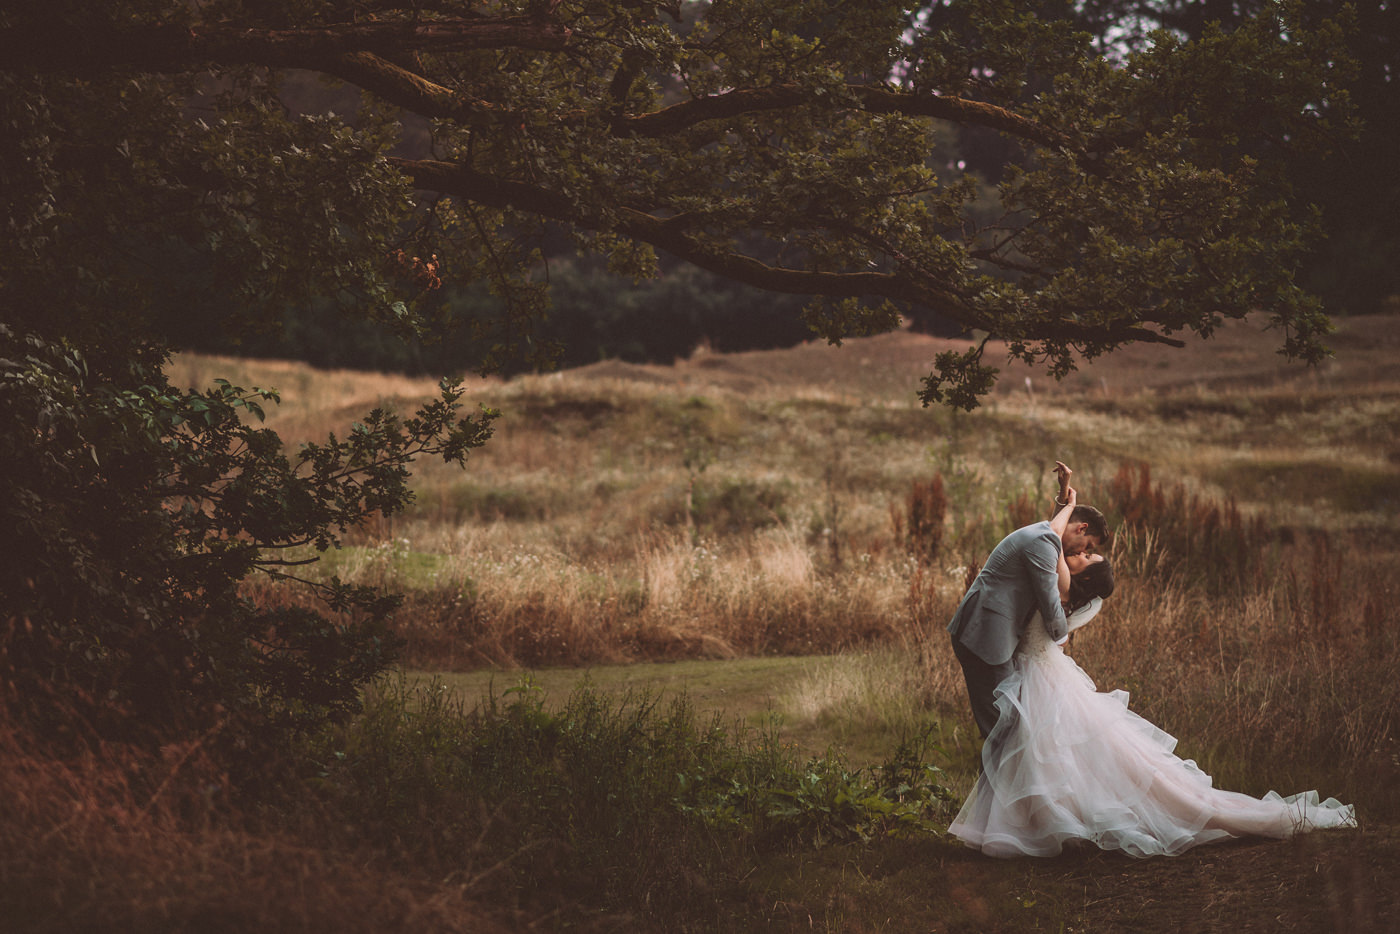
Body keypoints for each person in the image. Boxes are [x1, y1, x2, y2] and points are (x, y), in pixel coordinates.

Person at [948, 470, 1357, 858]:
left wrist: (1066, 509)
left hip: (1030, 664)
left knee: (1017, 741)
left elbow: (1055, 600)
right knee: (1019, 742)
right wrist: (1066, 498)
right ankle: (1030, 826)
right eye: (1087, 549)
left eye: (1088, 557)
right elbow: (1054, 539)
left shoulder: (1058, 568)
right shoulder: (1051, 549)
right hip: (1008, 652)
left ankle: (1030, 828)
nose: (1084, 553)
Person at [946, 467, 1106, 738]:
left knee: (1010, 723)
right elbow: (1049, 600)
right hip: (985, 634)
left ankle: (1005, 778)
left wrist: (1064, 499)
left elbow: (1056, 532)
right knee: (1001, 725)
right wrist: (1061, 635)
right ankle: (999, 780)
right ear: (1082, 528)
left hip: (994, 634)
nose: (1082, 553)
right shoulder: (1043, 543)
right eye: (1087, 546)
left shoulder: (1045, 535)